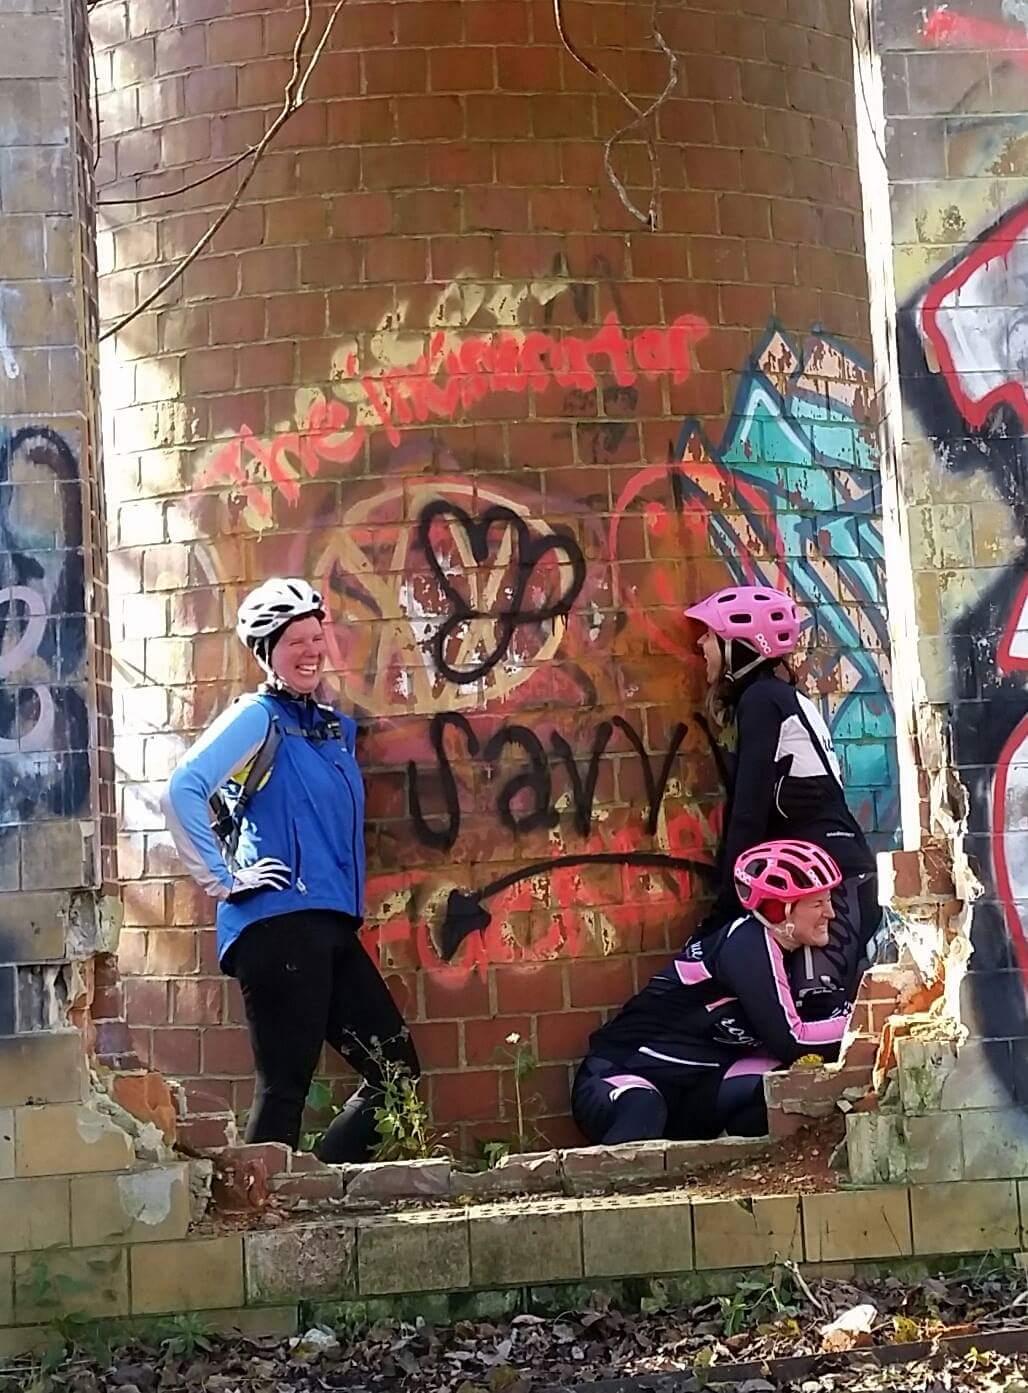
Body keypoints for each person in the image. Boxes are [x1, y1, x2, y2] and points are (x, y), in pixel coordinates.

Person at [161, 577, 418, 1162]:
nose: (310, 649)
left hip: (328, 926)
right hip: (277, 925)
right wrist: (223, 882)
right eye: (292, 640)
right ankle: (258, 1223)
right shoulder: (258, 717)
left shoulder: (327, 728)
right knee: (285, 1090)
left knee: (395, 1071)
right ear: (266, 652)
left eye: (315, 635)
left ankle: (314, 1184)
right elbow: (182, 789)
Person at [572, 840, 851, 1144]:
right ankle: (616, 1188)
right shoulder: (746, 944)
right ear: (778, 910)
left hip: (693, 1093)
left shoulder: (798, 950)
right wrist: (871, 1022)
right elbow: (792, 1040)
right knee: (644, 1109)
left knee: (776, 1085)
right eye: (817, 904)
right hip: (618, 1075)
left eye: (828, 900)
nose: (831, 914)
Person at [685, 584, 881, 1015]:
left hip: (827, 884)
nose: (699, 643)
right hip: (838, 871)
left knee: (818, 1014)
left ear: (742, 647)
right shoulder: (781, 699)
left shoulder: (761, 701)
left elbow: (749, 811)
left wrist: (725, 905)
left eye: (709, 635)